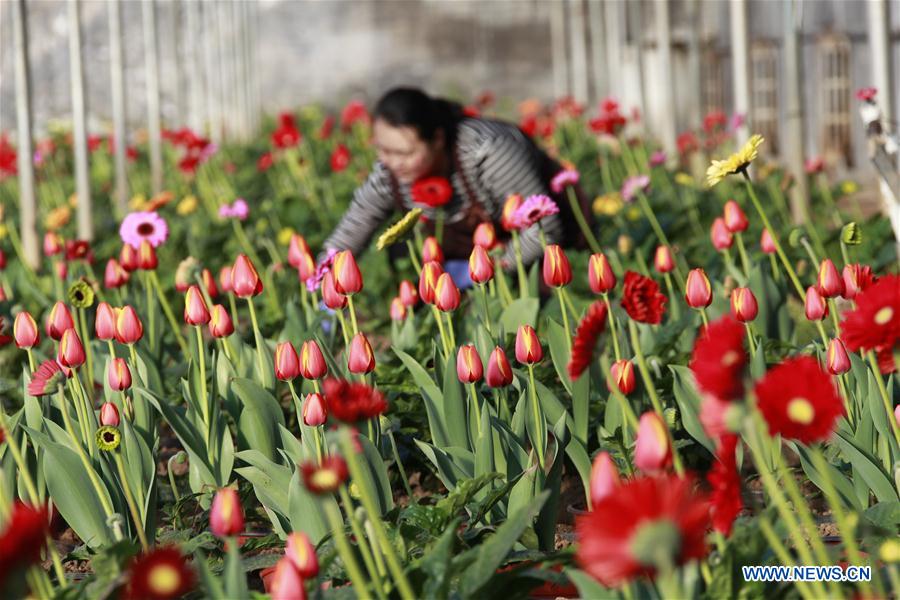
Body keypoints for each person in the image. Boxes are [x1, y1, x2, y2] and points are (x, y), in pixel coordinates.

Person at [322, 87, 590, 279]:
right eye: (382, 149)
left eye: (404, 153)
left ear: (437, 140)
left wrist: (491, 269)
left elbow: (545, 228)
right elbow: (352, 230)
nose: (391, 162)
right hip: (471, 275)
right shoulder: (389, 170)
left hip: (543, 262)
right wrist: (321, 285)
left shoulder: (487, 151)